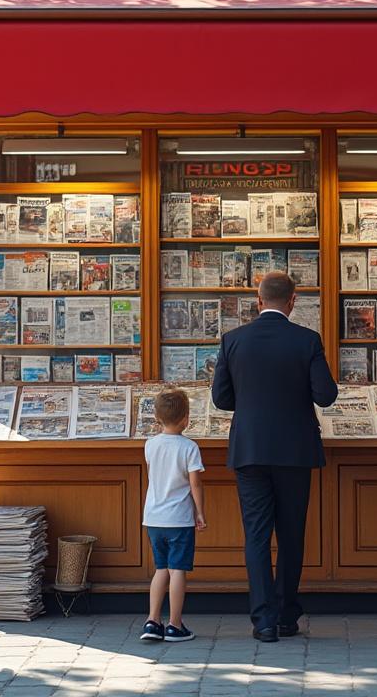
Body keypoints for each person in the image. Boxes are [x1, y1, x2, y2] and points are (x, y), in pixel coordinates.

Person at [211, 271, 337, 643]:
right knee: (291, 534)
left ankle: (263, 620)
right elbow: (326, 395)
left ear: (258, 299)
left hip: (249, 449)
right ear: (293, 301)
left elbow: (221, 399)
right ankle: (286, 615)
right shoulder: (307, 340)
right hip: (295, 451)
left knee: (256, 535)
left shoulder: (233, 340)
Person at [139, 387, 207, 644]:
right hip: (179, 519)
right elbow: (195, 484)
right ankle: (174, 625)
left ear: (157, 417)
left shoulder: (150, 445)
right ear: (186, 418)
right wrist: (199, 512)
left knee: (160, 569)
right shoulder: (189, 448)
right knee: (177, 570)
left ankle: (152, 620)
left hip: (153, 518)